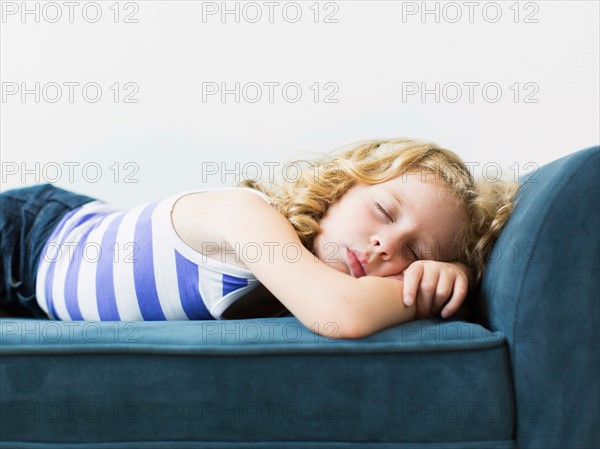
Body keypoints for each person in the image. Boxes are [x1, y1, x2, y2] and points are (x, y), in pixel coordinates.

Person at [0, 138, 519, 338]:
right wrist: (424, 291)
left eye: (415, 255)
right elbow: (343, 313)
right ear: (338, 189)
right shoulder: (242, 215)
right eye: (382, 211)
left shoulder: (297, 280)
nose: (387, 247)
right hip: (28, 236)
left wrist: (451, 278)